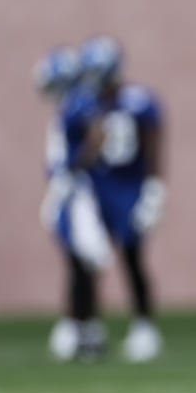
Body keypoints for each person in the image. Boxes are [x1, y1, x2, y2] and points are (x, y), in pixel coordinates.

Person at [35, 36, 167, 362]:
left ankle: (143, 326)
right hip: (94, 190)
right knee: (84, 258)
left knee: (132, 256)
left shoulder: (139, 101)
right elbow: (71, 148)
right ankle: (83, 325)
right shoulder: (81, 103)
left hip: (130, 188)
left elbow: (153, 145)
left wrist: (153, 189)